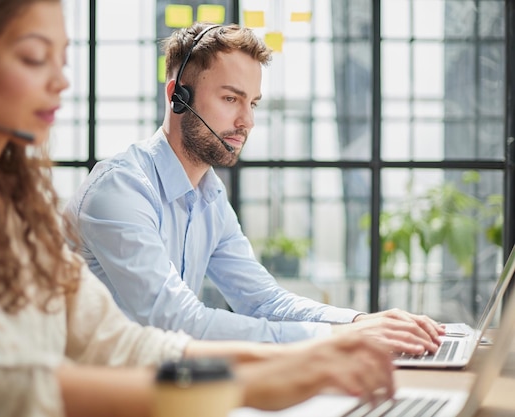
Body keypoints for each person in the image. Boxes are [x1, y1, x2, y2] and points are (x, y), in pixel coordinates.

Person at [0, 1, 396, 416]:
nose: (63, 82)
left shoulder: (18, 210)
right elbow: (2, 388)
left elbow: (125, 344)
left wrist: (326, 346)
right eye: (32, 58)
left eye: (63, 59)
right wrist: (250, 383)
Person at [64, 22, 446, 352]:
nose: (246, 121)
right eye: (231, 98)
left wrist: (359, 323)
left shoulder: (209, 196)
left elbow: (262, 301)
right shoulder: (121, 190)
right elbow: (176, 322)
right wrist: (334, 339)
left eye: (253, 104)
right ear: (177, 98)